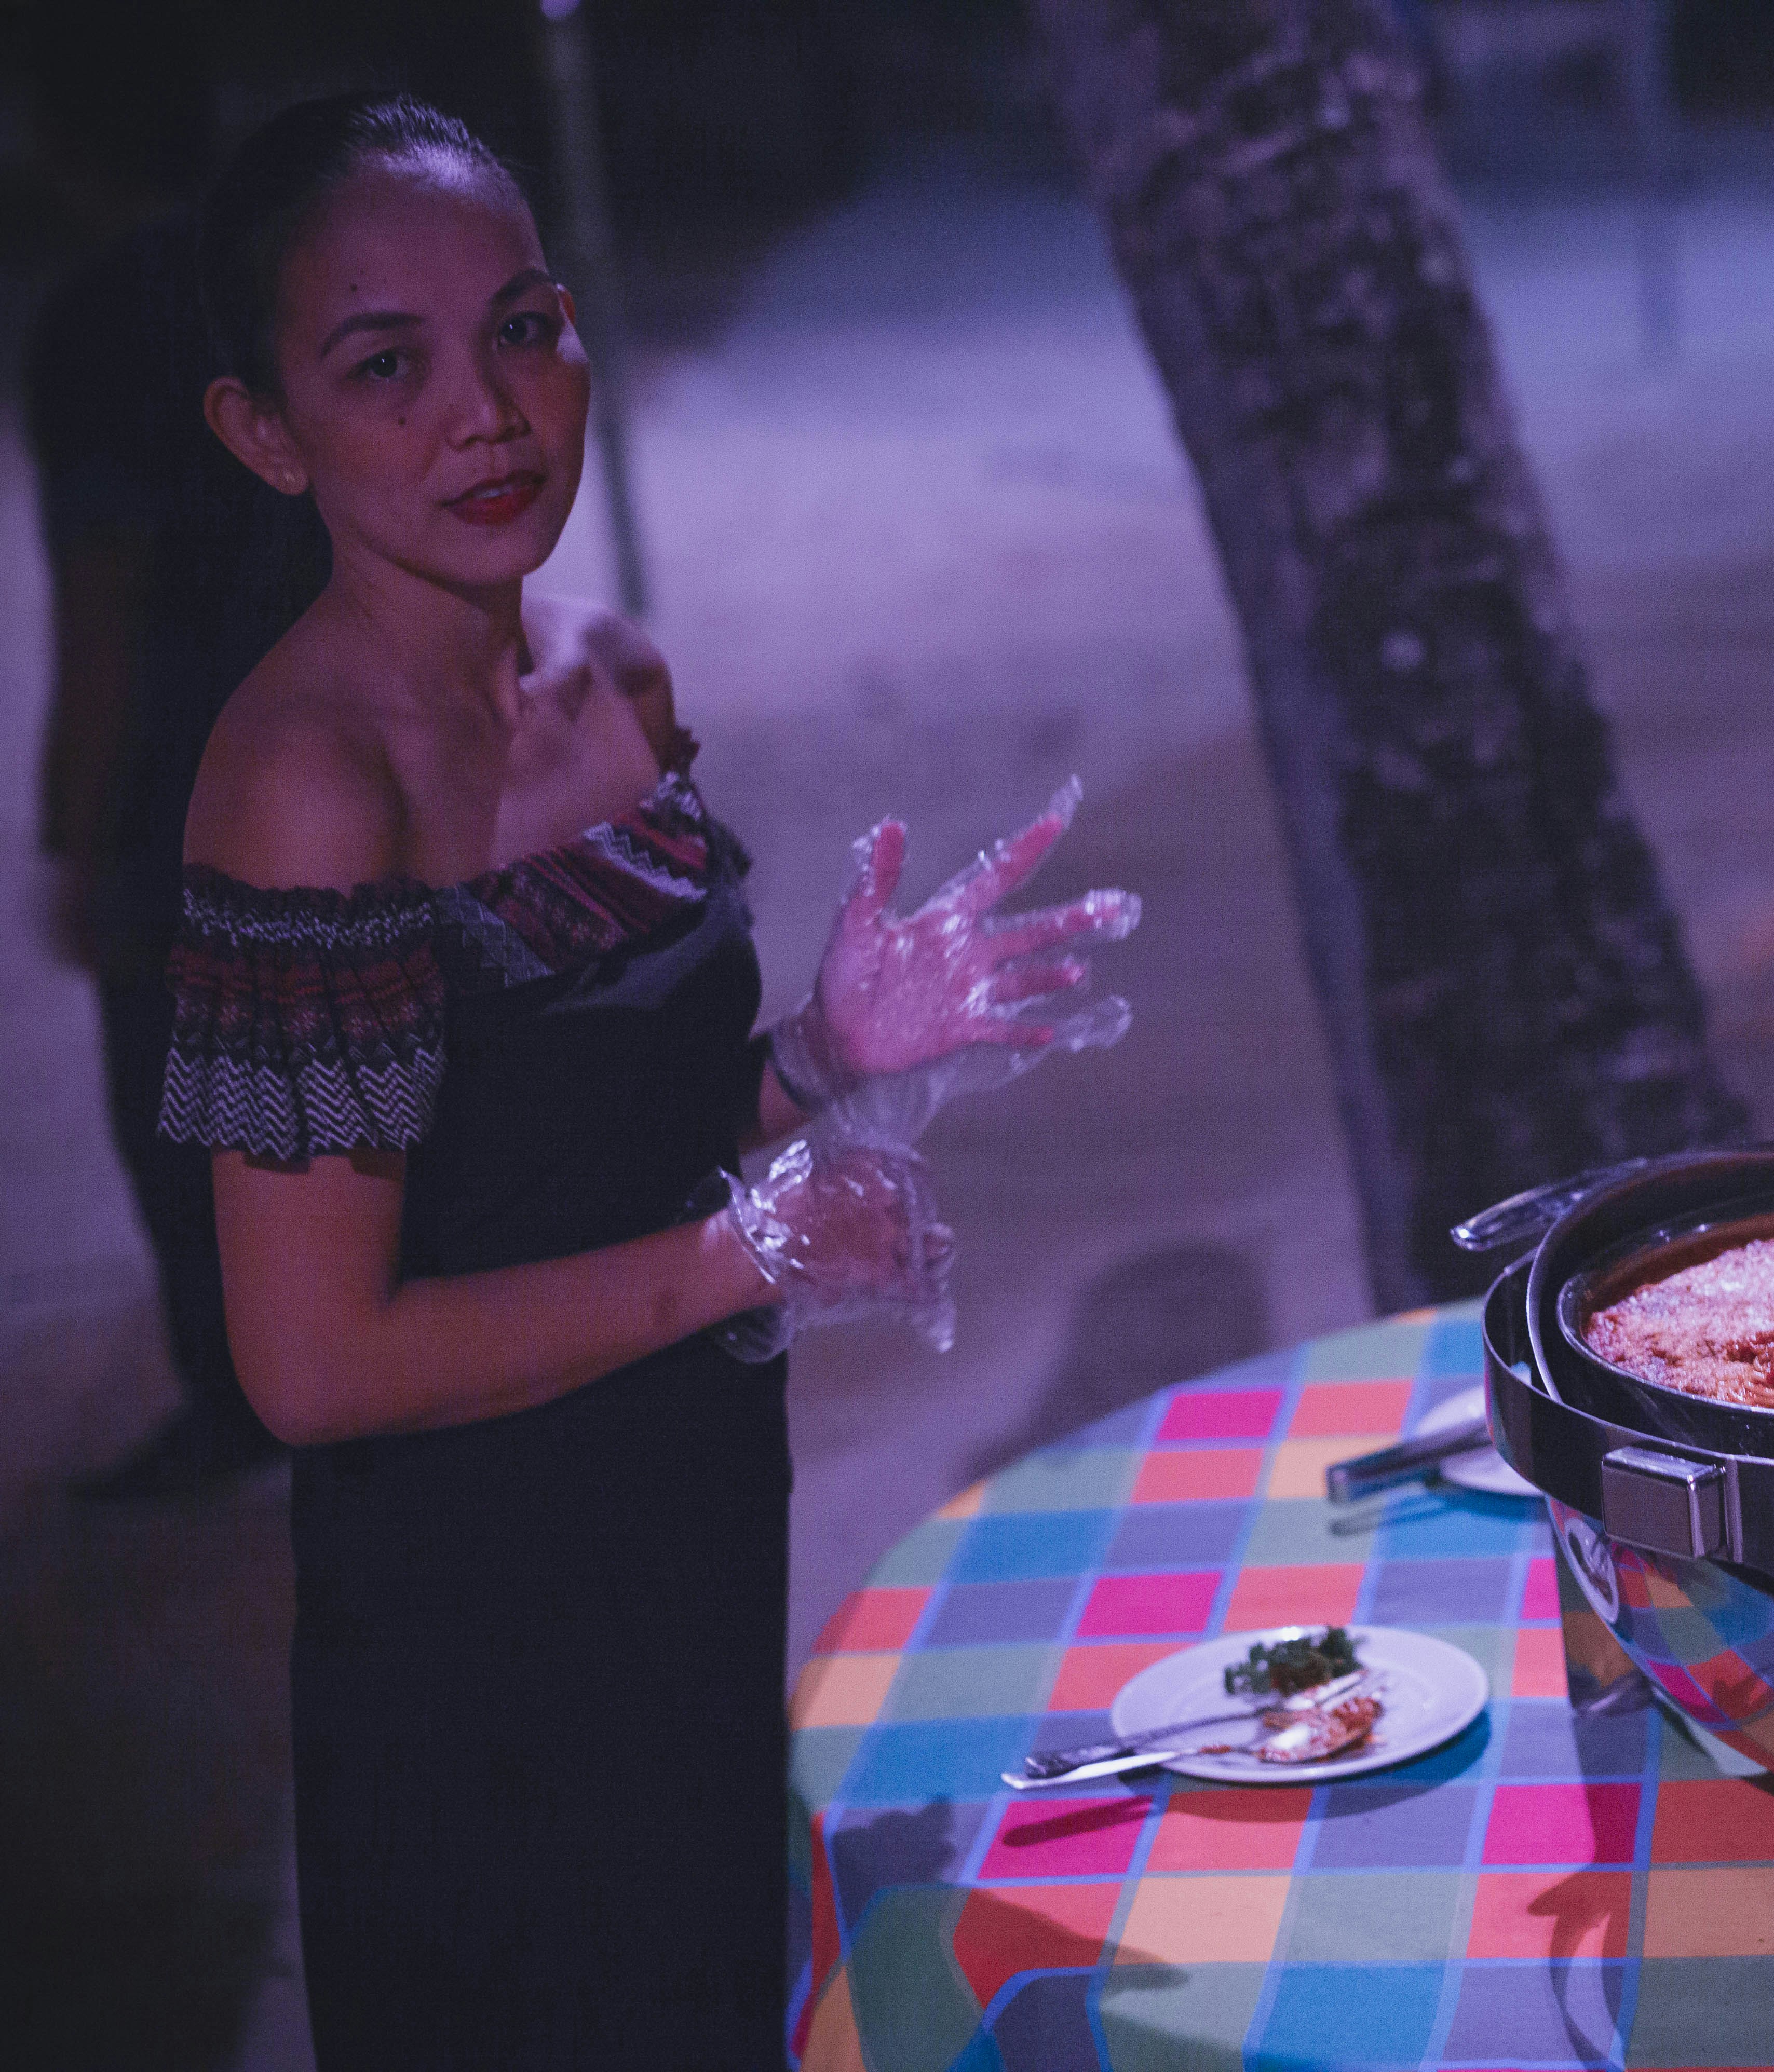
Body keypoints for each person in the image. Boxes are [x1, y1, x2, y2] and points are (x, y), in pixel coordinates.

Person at [170, 94, 1135, 2064]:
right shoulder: (304, 786)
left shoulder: (615, 679)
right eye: (387, 366)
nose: (488, 412)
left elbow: (594, 1155)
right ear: (265, 433)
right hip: (473, 1637)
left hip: (690, 1534)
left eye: (524, 328)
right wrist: (742, 1256)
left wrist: (826, 1058)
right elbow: (315, 1365)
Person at [25, 26, 319, 1497]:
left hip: (182, 777)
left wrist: (73, 828)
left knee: (180, 1109)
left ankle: (246, 1396)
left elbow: (106, 595)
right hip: (336, 728)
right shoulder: (284, 271)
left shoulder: (96, 322)